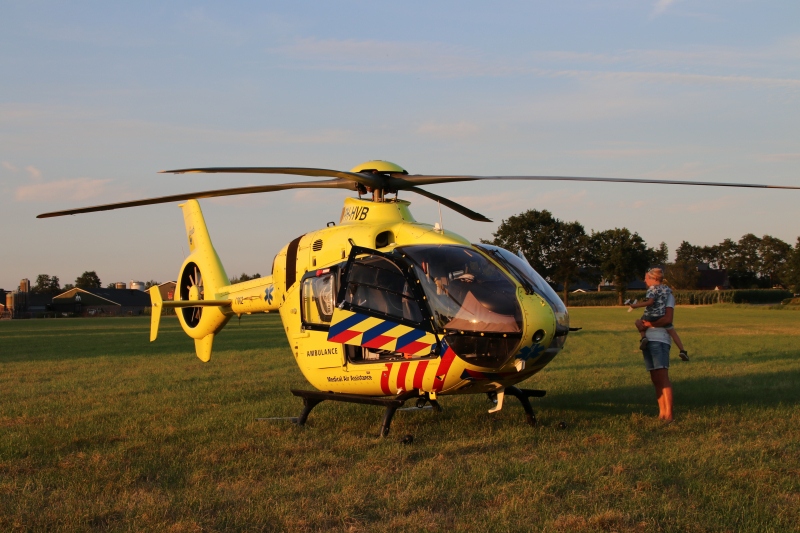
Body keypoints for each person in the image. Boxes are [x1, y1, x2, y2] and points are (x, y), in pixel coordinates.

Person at [629, 268, 689, 361]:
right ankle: (682, 350)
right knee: (672, 331)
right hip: (662, 315)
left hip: (651, 315)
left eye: (648, 278)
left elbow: (650, 302)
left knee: (640, 321)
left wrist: (635, 305)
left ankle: (643, 338)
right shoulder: (666, 289)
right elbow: (670, 292)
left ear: (655, 278)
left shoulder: (652, 289)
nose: (645, 281)